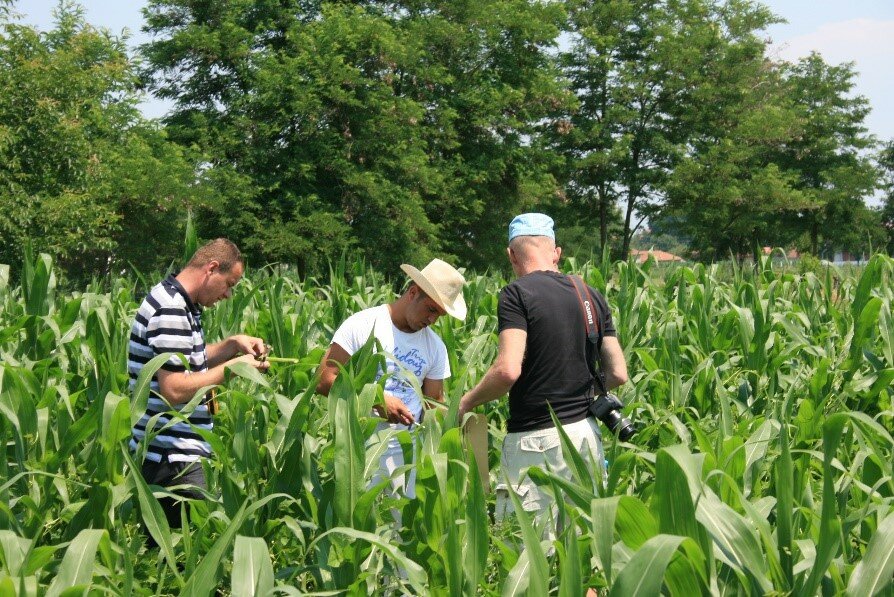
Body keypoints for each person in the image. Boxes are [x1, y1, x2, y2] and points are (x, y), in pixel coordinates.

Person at [458, 213, 628, 523]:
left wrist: (467, 401)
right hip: (586, 437)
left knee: (529, 552)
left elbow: (508, 370)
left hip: (536, 442)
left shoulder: (516, 294)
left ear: (511, 254)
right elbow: (618, 373)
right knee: (581, 545)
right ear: (556, 252)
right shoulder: (590, 295)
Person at [128, 238, 270, 532]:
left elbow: (184, 361)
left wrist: (232, 346)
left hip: (173, 457)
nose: (228, 294)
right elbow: (175, 389)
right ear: (212, 268)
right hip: (171, 459)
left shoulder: (180, 303)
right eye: (229, 284)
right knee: (180, 565)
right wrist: (234, 369)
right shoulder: (170, 309)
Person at [316, 258, 466, 498]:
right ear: (413, 292)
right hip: (355, 452)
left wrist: (456, 429)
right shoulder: (362, 325)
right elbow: (324, 380)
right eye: (430, 309)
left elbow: (433, 403)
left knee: (397, 531)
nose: (432, 320)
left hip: (406, 461)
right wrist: (376, 399)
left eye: (439, 316)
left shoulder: (436, 347)